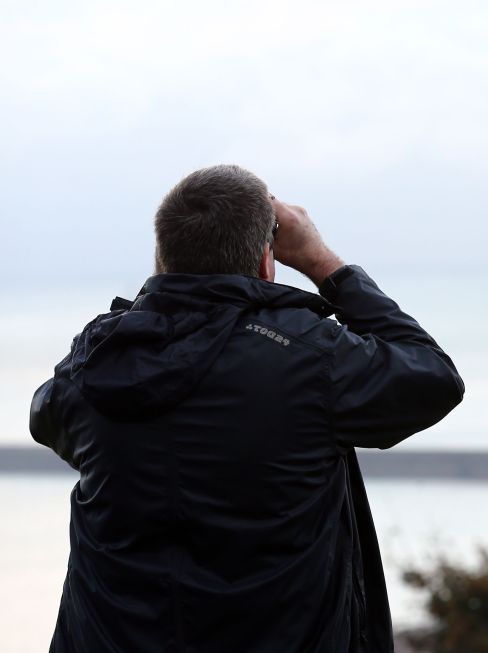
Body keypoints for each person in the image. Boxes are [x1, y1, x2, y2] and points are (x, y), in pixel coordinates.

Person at [30, 164, 464, 653]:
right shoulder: (311, 359)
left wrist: (154, 307)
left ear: (161, 258)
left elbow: (46, 419)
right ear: (265, 263)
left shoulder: (95, 363)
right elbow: (433, 378)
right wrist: (323, 263)